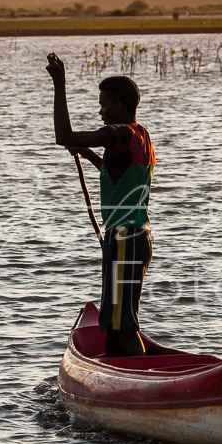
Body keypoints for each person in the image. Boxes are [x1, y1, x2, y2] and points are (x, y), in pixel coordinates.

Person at [46, 53, 155, 357]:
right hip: (132, 236)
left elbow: (62, 135)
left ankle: (141, 384)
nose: (100, 111)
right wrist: (89, 154)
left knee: (124, 324)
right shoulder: (139, 134)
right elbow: (119, 178)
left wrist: (59, 84)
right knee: (114, 321)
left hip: (125, 238)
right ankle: (117, 372)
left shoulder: (118, 132)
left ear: (119, 106)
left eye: (104, 104)